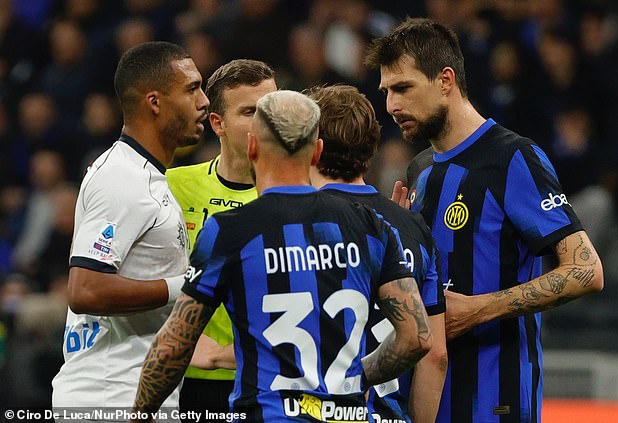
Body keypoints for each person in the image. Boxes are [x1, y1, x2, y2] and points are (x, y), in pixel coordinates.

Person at [132, 90, 432, 422]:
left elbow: (173, 348)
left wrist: (138, 415)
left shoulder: (230, 231)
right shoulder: (370, 226)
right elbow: (416, 338)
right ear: (317, 151)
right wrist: (358, 375)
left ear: (252, 147)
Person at [365, 18, 604, 423]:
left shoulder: (513, 159)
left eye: (403, 88)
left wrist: (478, 309)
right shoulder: (420, 171)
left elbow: (587, 270)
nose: (391, 106)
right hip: (429, 402)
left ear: (445, 80)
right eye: (386, 92)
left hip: (497, 401)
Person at [51, 41, 209, 410]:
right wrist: (185, 286)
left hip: (135, 394)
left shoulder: (147, 177)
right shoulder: (121, 177)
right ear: (155, 102)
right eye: (191, 89)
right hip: (109, 394)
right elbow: (85, 290)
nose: (204, 102)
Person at [306, 84, 447, 423]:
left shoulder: (298, 223)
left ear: (311, 146)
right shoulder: (414, 228)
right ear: (372, 147)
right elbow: (435, 354)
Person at [166, 59, 277, 417]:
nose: (265, 122)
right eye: (249, 112)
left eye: (271, 109)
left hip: (267, 381)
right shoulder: (173, 187)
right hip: (187, 377)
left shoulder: (299, 197)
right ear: (218, 123)